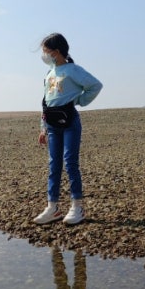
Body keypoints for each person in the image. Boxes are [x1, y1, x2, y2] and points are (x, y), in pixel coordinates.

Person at [34, 33, 103, 225]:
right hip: (52, 124)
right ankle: (52, 207)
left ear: (56, 52)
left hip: (70, 121)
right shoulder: (50, 73)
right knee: (53, 164)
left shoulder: (73, 70)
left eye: (46, 51)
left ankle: (77, 207)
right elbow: (45, 101)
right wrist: (42, 128)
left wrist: (80, 100)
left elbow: (95, 85)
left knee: (70, 162)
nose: (44, 55)